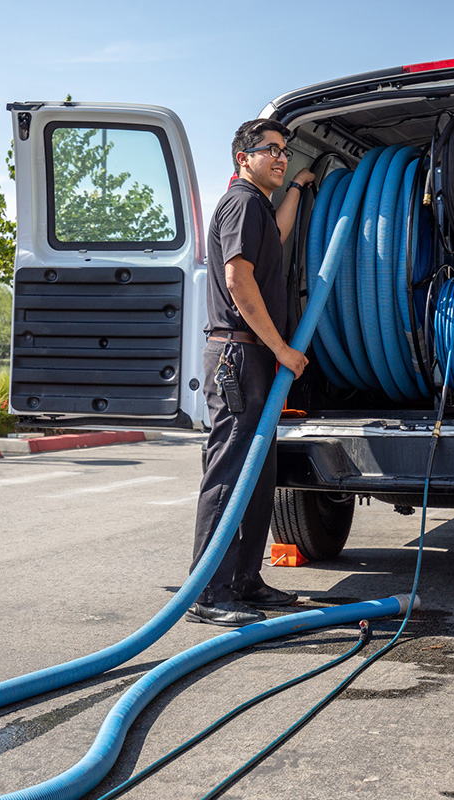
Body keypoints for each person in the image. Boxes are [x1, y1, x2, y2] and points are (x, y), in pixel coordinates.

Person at [186, 119, 314, 627]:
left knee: (259, 473)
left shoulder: (257, 206)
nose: (281, 158)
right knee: (229, 471)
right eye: (271, 150)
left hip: (253, 355)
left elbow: (276, 237)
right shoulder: (239, 202)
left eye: (285, 151)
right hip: (239, 356)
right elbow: (240, 281)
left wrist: (300, 187)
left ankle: (245, 580)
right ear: (243, 157)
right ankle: (208, 592)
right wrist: (282, 348)